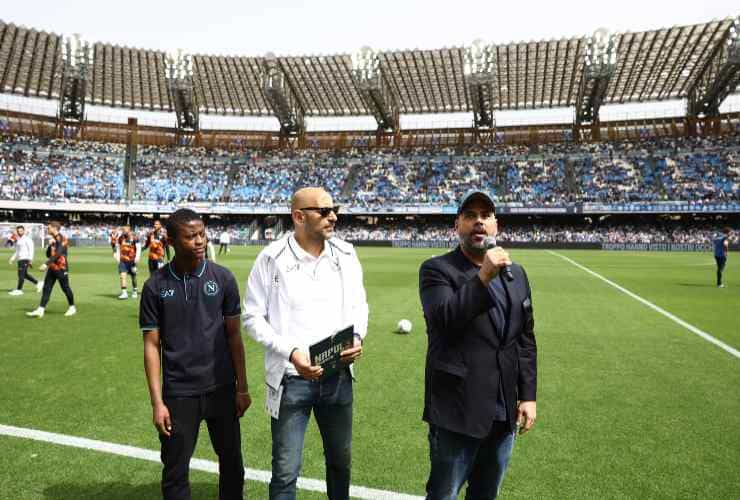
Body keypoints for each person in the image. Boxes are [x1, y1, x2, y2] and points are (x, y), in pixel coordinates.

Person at [243, 187, 368, 500]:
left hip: (338, 377)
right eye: (324, 211)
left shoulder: (346, 253)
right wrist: (292, 352)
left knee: (341, 462)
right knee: (285, 471)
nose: (334, 217)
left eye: (334, 209)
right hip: (290, 381)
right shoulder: (271, 258)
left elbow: (359, 305)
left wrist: (356, 335)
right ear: (298, 217)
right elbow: (252, 318)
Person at [418, 191, 537, 499]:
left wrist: (527, 396)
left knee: (487, 494)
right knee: (444, 494)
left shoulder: (517, 274)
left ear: (496, 225)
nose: (478, 221)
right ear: (458, 224)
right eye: (470, 215)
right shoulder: (436, 270)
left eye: (486, 216)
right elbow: (445, 320)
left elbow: (524, 338)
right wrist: (483, 275)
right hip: (458, 409)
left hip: (503, 410)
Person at [139, 208, 251, 500]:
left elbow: (234, 336)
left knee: (232, 464)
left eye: (202, 234)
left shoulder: (223, 278)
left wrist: (243, 388)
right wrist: (157, 403)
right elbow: (151, 345)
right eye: (191, 237)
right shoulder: (155, 287)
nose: (200, 241)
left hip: (221, 389)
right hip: (179, 394)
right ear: (172, 240)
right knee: (175, 471)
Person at [26, 221, 76, 318]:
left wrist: (46, 264)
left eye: (48, 228)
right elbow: (48, 254)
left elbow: (58, 254)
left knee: (65, 288)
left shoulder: (62, 239)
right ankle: (41, 309)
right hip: (52, 267)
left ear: (54, 228)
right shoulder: (53, 239)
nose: (47, 229)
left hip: (61, 268)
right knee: (46, 288)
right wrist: (50, 245)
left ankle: (72, 307)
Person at [8, 225, 40, 296]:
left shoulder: (28, 239)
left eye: (21, 231)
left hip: (25, 259)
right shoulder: (19, 239)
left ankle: (19, 290)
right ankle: (38, 283)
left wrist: (30, 260)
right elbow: (17, 251)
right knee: (25, 274)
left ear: (24, 231)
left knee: (21, 275)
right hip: (20, 259)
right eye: (18, 231)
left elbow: (31, 250)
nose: (20, 232)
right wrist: (12, 259)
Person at [116, 225, 141, 299]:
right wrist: (117, 257)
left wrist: (137, 258)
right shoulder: (120, 238)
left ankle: (135, 290)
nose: (123, 230)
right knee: (122, 276)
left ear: (129, 230)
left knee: (133, 277)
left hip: (132, 261)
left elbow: (138, 248)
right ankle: (124, 293)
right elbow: (118, 247)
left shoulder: (135, 237)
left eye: (125, 229)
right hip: (123, 260)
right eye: (123, 229)